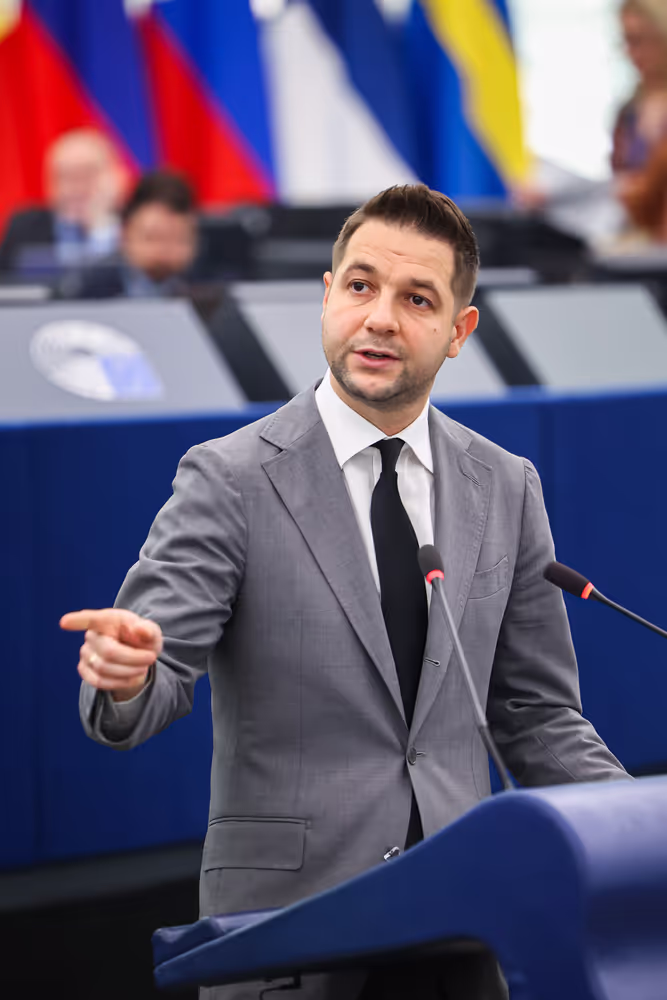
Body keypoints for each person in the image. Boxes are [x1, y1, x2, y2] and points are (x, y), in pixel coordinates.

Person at [61, 184, 626, 1000]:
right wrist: (128, 674)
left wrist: (632, 826)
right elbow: (146, 681)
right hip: (289, 933)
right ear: (326, 295)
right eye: (360, 286)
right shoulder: (230, 478)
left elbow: (536, 715)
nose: (380, 318)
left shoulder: (504, 486)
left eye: (417, 299)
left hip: (462, 926)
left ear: (459, 331)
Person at [60, 170, 198, 299]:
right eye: (152, 238)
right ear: (124, 234)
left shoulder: (205, 292)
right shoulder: (89, 289)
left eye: (179, 240)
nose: (164, 250)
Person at [0, 128, 124, 273]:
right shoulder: (24, 228)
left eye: (88, 173)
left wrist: (101, 231)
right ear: (49, 184)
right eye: (66, 176)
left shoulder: (138, 223)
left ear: (117, 176)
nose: (78, 187)